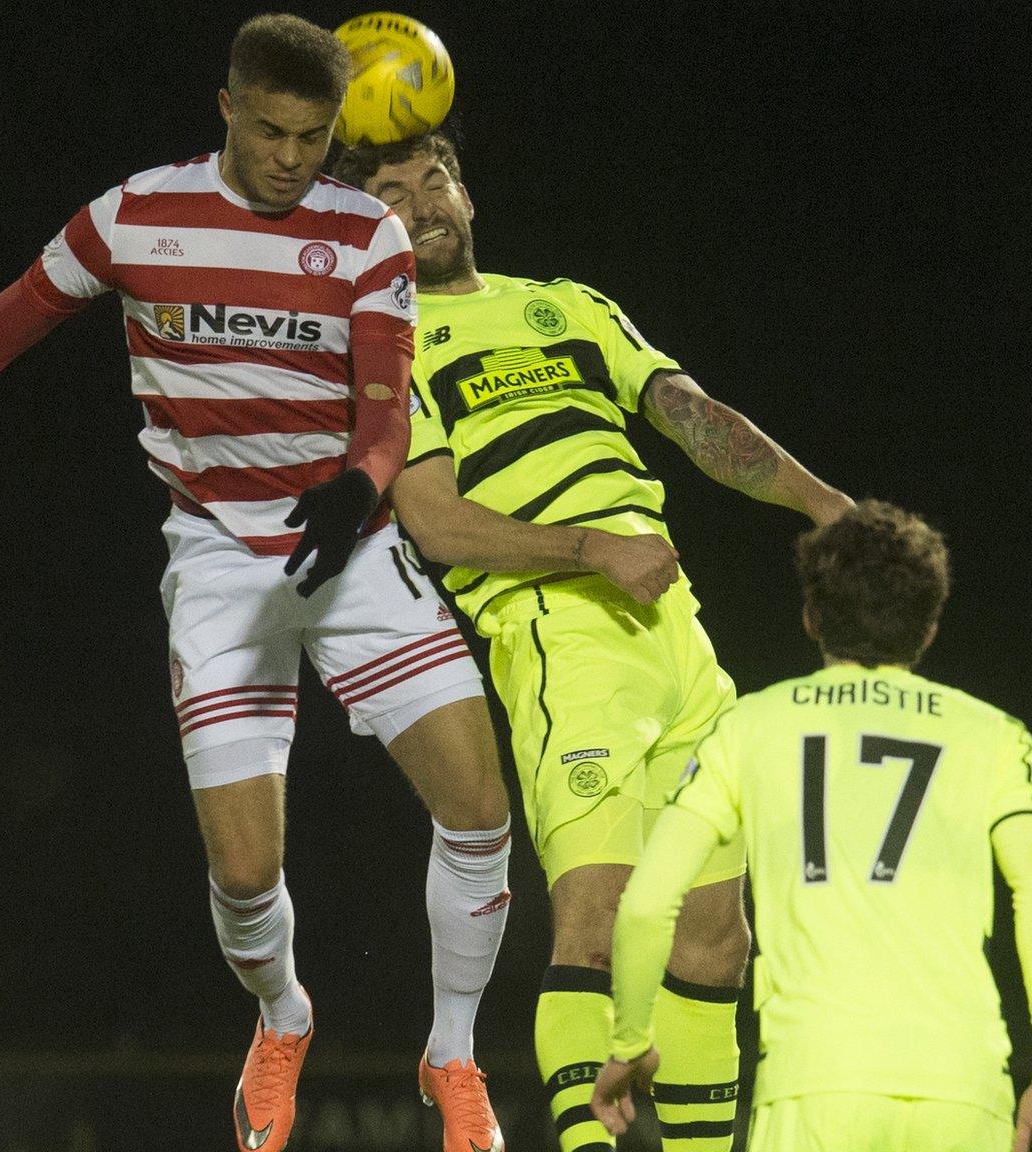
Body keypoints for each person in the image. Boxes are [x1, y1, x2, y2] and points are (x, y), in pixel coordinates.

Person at [0, 17, 512, 1152]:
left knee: (478, 811)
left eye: (313, 136)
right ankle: (282, 1016)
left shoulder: (364, 235)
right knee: (244, 874)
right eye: (273, 131)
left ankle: (452, 1054)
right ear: (228, 108)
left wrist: (362, 483)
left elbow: (384, 397)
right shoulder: (134, 216)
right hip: (217, 561)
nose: (292, 158)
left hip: (345, 549)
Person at [334, 133, 852, 1152]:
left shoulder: (568, 305)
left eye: (430, 180)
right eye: (388, 196)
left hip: (674, 632)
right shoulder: (380, 349)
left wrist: (819, 501)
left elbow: (691, 416)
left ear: (464, 190)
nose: (419, 204)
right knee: (599, 920)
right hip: (558, 633)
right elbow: (435, 524)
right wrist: (585, 550)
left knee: (714, 937)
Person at [592, 501, 1032, 1152]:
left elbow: (648, 904)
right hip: (960, 1089)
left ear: (811, 618)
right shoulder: (993, 736)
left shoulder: (747, 729)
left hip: (813, 1089)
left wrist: (630, 1040)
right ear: (929, 628)